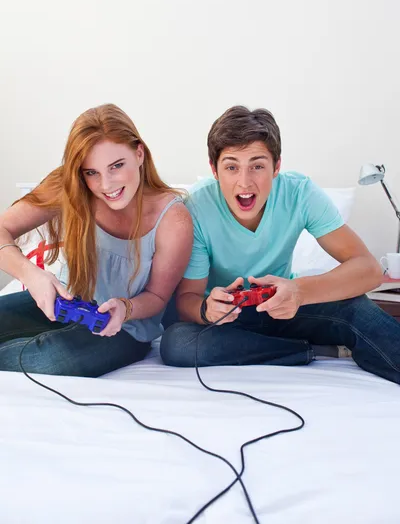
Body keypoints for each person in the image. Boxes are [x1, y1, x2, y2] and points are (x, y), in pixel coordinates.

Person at [160, 105, 400, 385]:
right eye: (231, 167)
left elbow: (369, 270)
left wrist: (298, 292)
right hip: (228, 319)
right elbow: (187, 298)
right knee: (177, 342)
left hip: (285, 306)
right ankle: (303, 351)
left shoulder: (299, 193)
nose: (244, 182)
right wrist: (205, 309)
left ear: (277, 167)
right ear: (214, 169)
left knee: (357, 309)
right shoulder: (196, 207)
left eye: (258, 166)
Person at [0, 104, 193, 377]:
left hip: (124, 329)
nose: (107, 185)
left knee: (43, 361)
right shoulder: (70, 187)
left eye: (116, 166)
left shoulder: (173, 218)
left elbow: (158, 297)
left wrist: (124, 309)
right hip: (65, 301)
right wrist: (32, 276)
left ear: (139, 154)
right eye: (92, 172)